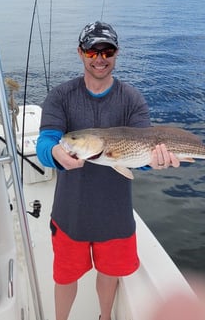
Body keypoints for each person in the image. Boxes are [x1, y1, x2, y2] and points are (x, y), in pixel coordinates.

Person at [36, 21, 180, 320]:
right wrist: (55, 153)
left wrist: (153, 161)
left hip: (115, 213)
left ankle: (105, 317)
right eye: (92, 51)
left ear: (116, 54)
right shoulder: (61, 96)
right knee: (65, 277)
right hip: (70, 212)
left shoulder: (132, 99)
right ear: (80, 53)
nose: (100, 58)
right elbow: (47, 141)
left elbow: (142, 149)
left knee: (109, 274)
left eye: (107, 51)